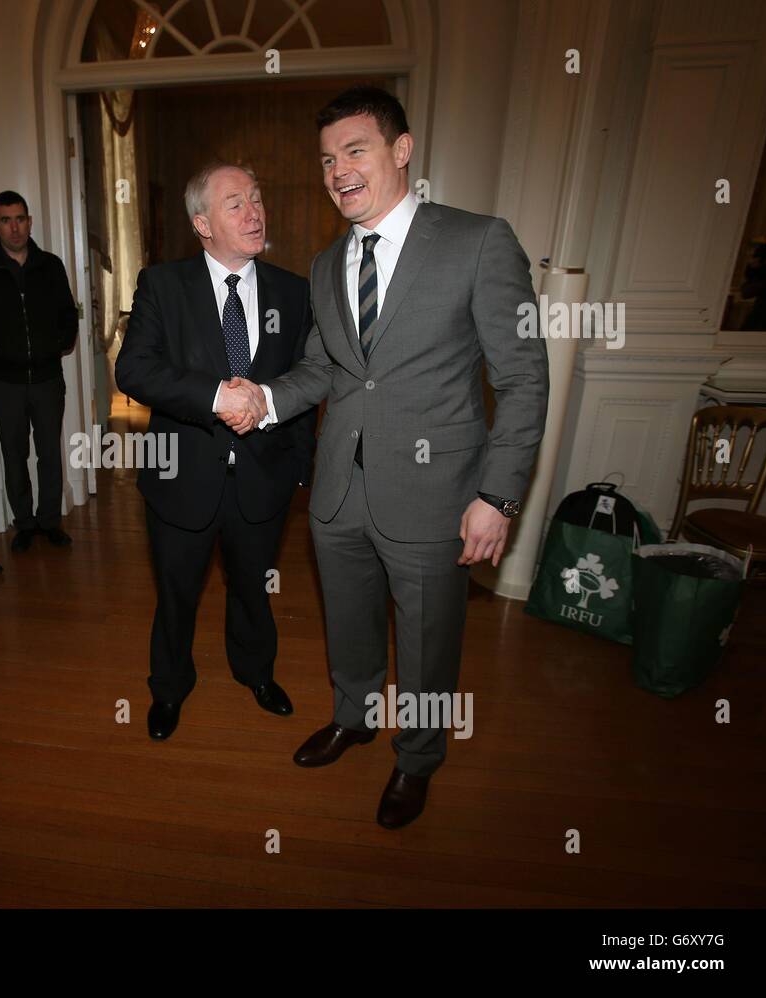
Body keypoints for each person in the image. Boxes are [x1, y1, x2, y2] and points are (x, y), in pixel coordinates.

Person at [229, 86, 549, 828]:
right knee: (348, 623)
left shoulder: (479, 241)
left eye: (355, 150)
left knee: (430, 640)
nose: (337, 169)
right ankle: (355, 716)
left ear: (401, 151)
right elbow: (326, 368)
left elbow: (524, 379)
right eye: (327, 158)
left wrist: (497, 497)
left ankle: (418, 757)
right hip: (338, 488)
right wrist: (265, 399)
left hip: (439, 496)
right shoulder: (323, 263)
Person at [115, 163, 316, 741]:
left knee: (254, 586)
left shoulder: (291, 290)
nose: (254, 212)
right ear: (202, 223)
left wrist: (298, 467)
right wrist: (213, 395)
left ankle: (256, 672)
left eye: (256, 198)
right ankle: (169, 688)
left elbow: (307, 379)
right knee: (176, 592)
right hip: (182, 476)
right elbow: (135, 369)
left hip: (264, 477)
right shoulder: (162, 284)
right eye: (236, 204)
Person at [0, 190, 78, 551]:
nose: (14, 228)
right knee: (13, 454)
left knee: (49, 452)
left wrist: (55, 345)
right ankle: (25, 524)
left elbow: (68, 315)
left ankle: (50, 521)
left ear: (29, 222)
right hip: (4, 382)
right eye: (5, 220)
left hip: (48, 378)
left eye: (20, 219)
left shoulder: (51, 265)